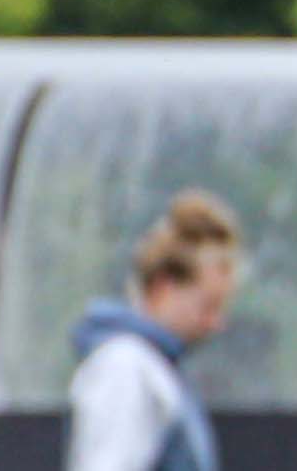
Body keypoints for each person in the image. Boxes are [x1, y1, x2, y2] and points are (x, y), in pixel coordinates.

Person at [67, 190, 243, 471]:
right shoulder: (126, 367)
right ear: (164, 288)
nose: (216, 323)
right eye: (207, 306)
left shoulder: (157, 370)